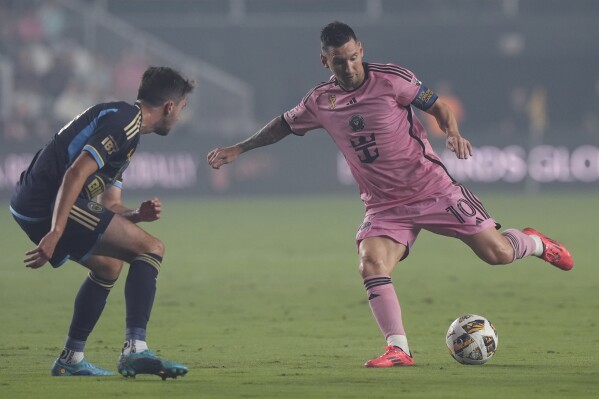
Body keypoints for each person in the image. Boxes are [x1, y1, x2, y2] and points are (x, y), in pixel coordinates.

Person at [207, 22, 574, 368]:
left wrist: (453, 133)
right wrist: (238, 149)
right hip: (385, 206)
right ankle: (398, 348)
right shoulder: (321, 100)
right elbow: (282, 125)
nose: (349, 67)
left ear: (361, 50)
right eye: (339, 61)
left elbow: (439, 106)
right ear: (325, 61)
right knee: (371, 263)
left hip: (434, 189)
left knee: (499, 254)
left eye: (353, 57)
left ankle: (536, 243)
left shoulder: (391, 79)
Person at [10, 66, 195, 378]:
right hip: (46, 202)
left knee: (109, 265)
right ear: (170, 107)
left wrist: (136, 215)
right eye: (182, 109)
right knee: (151, 249)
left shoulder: (128, 130)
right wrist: (56, 230)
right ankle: (135, 350)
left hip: (37, 201)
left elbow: (110, 205)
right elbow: (76, 173)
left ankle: (71, 357)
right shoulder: (124, 123)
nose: (179, 117)